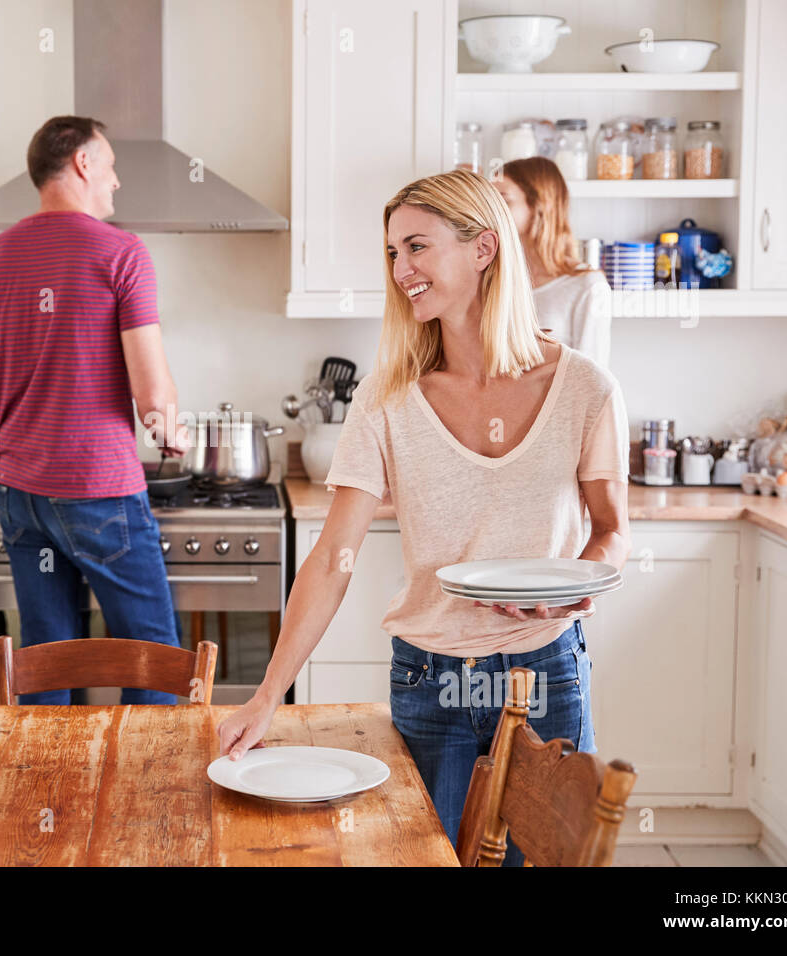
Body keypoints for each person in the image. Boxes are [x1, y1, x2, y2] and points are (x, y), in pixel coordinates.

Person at [217, 169, 631, 866]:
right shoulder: (387, 397)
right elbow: (332, 558)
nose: (400, 269)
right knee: (425, 857)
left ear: (483, 249)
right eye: (391, 254)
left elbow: (612, 530)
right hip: (431, 678)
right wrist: (267, 695)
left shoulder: (585, 387)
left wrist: (584, 580)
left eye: (416, 247)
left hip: (547, 669)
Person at [0, 115, 190, 705]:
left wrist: (23, 434)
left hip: (20, 493)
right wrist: (168, 427)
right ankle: (152, 792)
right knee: (151, 656)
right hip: (99, 489)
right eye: (109, 165)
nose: (117, 181)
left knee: (46, 658)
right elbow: (152, 395)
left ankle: (45, 795)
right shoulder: (122, 253)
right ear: (82, 163)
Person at [494, 157, 612, 368]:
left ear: (539, 205)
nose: (493, 211)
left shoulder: (587, 285)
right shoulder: (495, 278)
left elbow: (593, 376)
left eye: (504, 200)